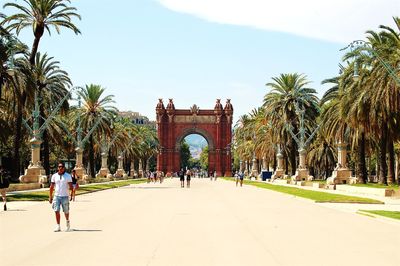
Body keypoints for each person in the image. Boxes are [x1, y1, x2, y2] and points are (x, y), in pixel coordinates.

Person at [49, 162, 73, 232]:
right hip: (56, 196)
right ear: (58, 168)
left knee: (66, 211)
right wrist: (50, 196)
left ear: (64, 168)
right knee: (56, 211)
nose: (60, 168)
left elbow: (71, 187)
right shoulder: (54, 176)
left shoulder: (68, 176)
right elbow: (51, 187)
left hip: (65, 196)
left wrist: (71, 195)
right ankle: (58, 225)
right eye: (59, 167)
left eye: (62, 167)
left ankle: (67, 222)